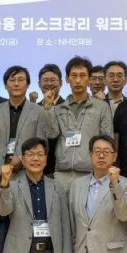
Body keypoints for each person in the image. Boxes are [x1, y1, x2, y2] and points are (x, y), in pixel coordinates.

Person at [42, 56, 114, 191]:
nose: (78, 80)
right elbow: (52, 134)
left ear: (89, 79)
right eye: (74, 76)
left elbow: (108, 138)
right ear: (67, 79)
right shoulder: (58, 108)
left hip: (91, 172)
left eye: (82, 75)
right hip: (62, 173)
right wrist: (48, 109)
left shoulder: (101, 107)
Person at [0, 65, 46, 180]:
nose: (16, 84)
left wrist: (21, 159)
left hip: (26, 171)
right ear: (5, 86)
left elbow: (41, 142)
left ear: (28, 85)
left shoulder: (38, 111)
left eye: (21, 80)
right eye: (12, 80)